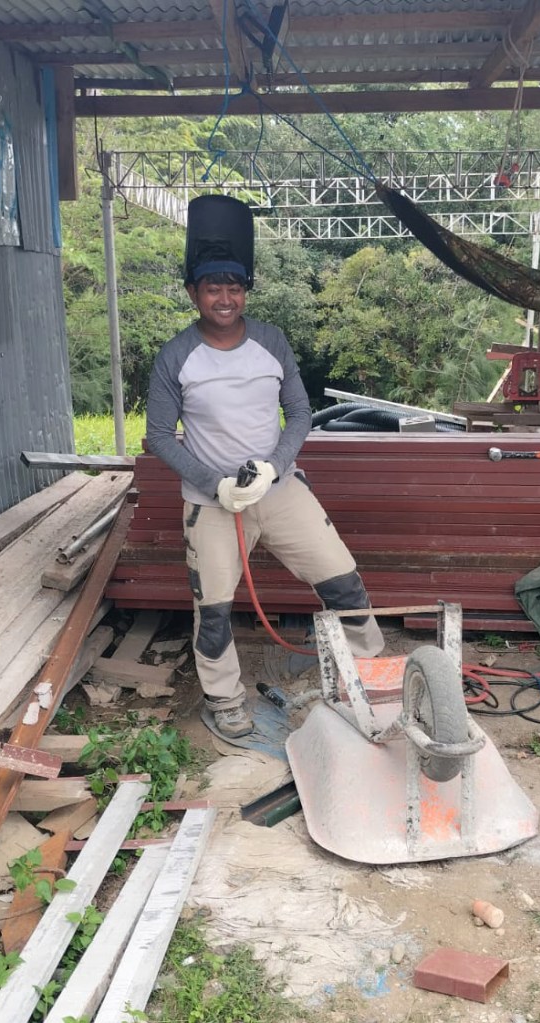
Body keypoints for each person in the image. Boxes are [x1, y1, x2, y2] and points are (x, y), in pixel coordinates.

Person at [146, 256, 384, 739]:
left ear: (245, 293)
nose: (225, 299)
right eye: (213, 289)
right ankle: (225, 701)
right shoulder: (176, 356)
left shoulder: (270, 341)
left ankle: (369, 673)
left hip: (280, 489)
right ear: (193, 293)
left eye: (234, 288)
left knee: (342, 580)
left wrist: (274, 465)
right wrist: (215, 483)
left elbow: (299, 412)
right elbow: (159, 436)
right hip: (213, 503)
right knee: (213, 609)